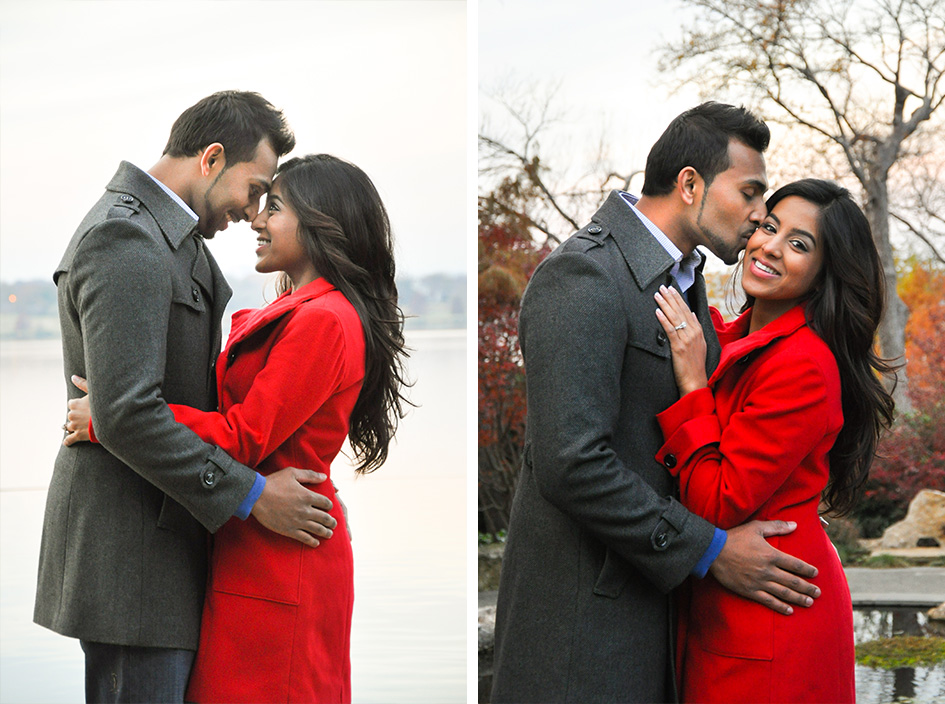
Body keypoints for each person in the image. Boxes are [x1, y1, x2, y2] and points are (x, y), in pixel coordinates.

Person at [490, 103, 824, 704]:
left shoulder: (685, 283)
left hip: (661, 617)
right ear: (690, 183)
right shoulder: (584, 275)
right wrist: (711, 549)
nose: (758, 216)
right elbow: (572, 463)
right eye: (749, 193)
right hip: (583, 633)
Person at [65, 154, 410, 702]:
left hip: (281, 559)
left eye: (274, 207)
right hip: (258, 544)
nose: (256, 218)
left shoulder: (324, 320)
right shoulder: (310, 310)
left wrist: (113, 418)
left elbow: (244, 436)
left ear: (322, 221)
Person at [35, 92, 340, 703]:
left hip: (170, 549)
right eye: (253, 188)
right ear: (212, 157)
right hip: (132, 564)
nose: (252, 211)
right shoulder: (126, 236)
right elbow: (126, 414)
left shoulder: (172, 239)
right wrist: (253, 496)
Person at [653, 178, 895, 703]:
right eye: (769, 226)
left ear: (823, 273)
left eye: (799, 243)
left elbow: (716, 502)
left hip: (771, 618)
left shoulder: (804, 366)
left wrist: (692, 385)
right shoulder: (733, 336)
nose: (770, 247)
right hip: (733, 602)